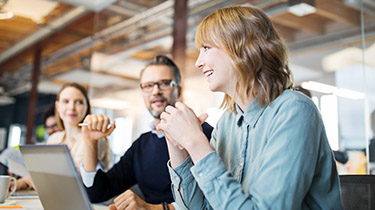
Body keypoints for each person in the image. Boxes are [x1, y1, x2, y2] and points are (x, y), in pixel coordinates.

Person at [157, 6, 343, 209]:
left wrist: (196, 142)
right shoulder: (228, 122)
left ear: (242, 48)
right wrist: (177, 143)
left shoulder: (295, 111)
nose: (198, 62)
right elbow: (200, 208)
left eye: (206, 48)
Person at [80, 55, 213, 210]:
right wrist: (90, 141)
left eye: (164, 83)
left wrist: (151, 209)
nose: (155, 91)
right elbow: (98, 193)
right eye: (148, 86)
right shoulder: (141, 145)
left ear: (179, 89)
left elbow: (212, 200)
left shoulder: (204, 134)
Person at [13, 82, 110, 191]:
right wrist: (15, 184)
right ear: (58, 107)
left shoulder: (94, 139)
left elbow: (82, 181)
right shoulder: (54, 138)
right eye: (66, 101)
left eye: (79, 102)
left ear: (87, 106)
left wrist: (43, 180)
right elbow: (42, 174)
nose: (71, 107)